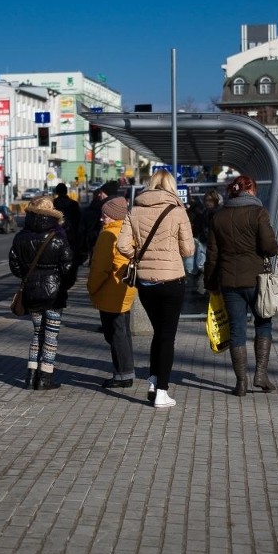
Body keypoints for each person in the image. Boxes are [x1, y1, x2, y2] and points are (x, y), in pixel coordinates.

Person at [117, 169, 195, 409]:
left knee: (158, 333)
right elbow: (188, 250)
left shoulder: (135, 209)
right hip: (172, 280)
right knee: (166, 336)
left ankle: (152, 380)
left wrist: (138, 255)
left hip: (146, 282)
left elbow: (122, 245)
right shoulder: (178, 211)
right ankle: (162, 391)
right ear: (172, 186)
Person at [204, 174, 278, 397]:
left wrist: (210, 284)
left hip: (229, 282)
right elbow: (269, 247)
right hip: (257, 280)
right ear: (252, 190)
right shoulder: (258, 213)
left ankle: (241, 383)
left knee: (236, 329)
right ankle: (261, 375)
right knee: (263, 323)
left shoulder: (219, 217)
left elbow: (212, 256)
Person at [9, 196, 75, 390]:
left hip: (31, 292)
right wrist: (63, 285)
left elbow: (14, 264)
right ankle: (45, 377)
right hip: (54, 294)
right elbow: (68, 267)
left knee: (37, 332)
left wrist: (27, 278)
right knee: (51, 335)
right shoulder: (58, 237)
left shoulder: (20, 236)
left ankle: (30, 376)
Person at [87, 195, 137, 389]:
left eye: (105, 215)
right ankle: (127, 371)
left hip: (111, 291)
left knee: (115, 334)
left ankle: (122, 375)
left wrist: (91, 288)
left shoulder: (108, 235)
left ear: (113, 216)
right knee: (123, 333)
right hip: (125, 288)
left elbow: (100, 268)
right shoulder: (129, 231)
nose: (102, 219)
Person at [80, 180, 119, 265]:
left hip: (103, 241)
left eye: (101, 192)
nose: (99, 195)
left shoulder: (105, 206)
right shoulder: (118, 205)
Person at [53, 183, 81, 253]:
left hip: (55, 232)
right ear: (66, 191)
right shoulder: (74, 203)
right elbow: (78, 220)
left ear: (57, 192)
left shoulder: (52, 204)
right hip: (71, 233)